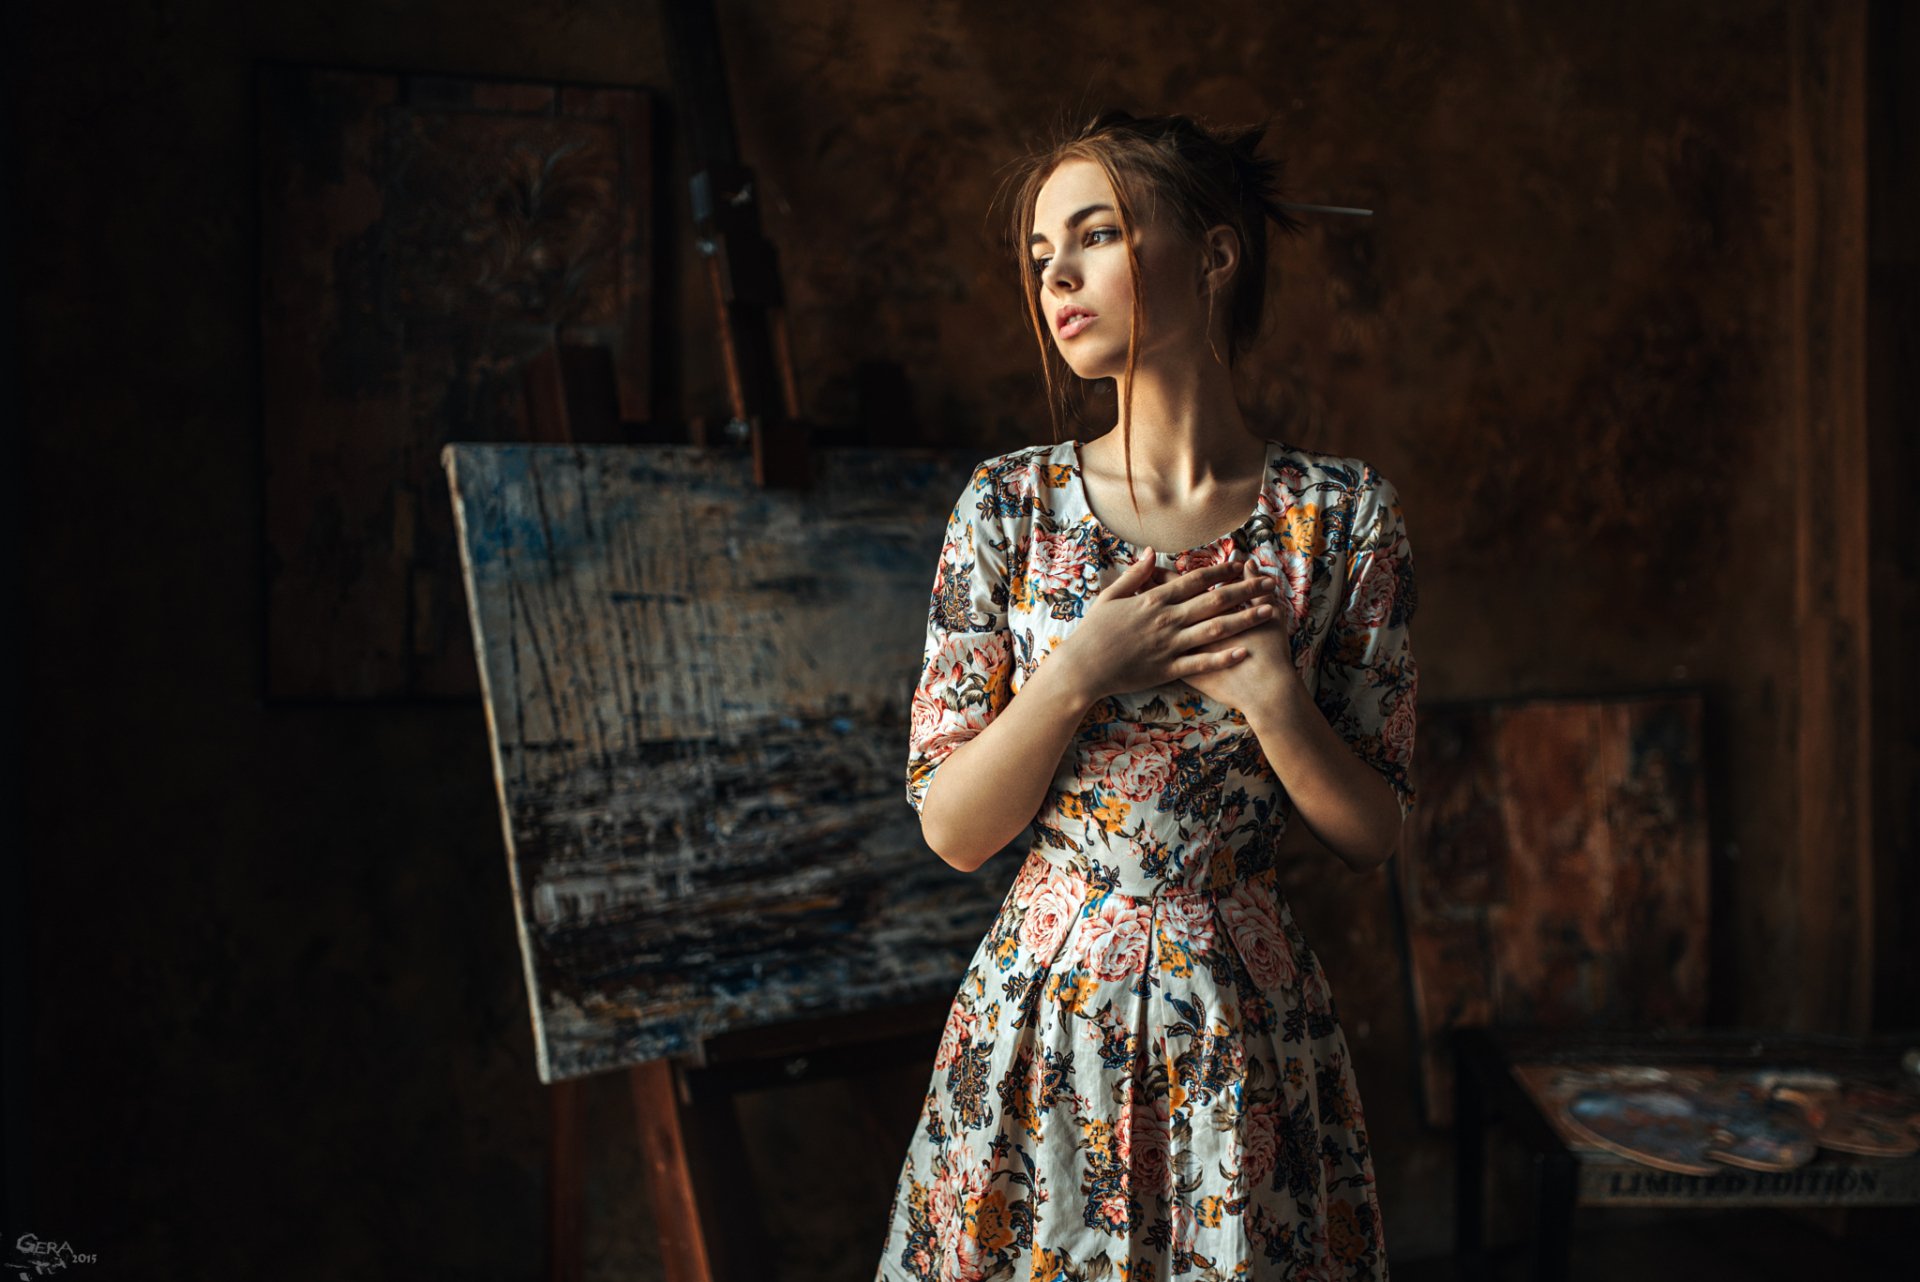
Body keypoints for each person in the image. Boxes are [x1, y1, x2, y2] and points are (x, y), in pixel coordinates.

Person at [875, 108, 1417, 1282]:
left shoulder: (1341, 517)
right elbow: (954, 827)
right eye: (1039, 257)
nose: (1057, 276)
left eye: (1095, 236)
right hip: (1041, 1011)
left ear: (1215, 256)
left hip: (1245, 1020)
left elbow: (1376, 830)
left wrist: (1278, 704)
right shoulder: (1008, 509)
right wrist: (1075, 674)